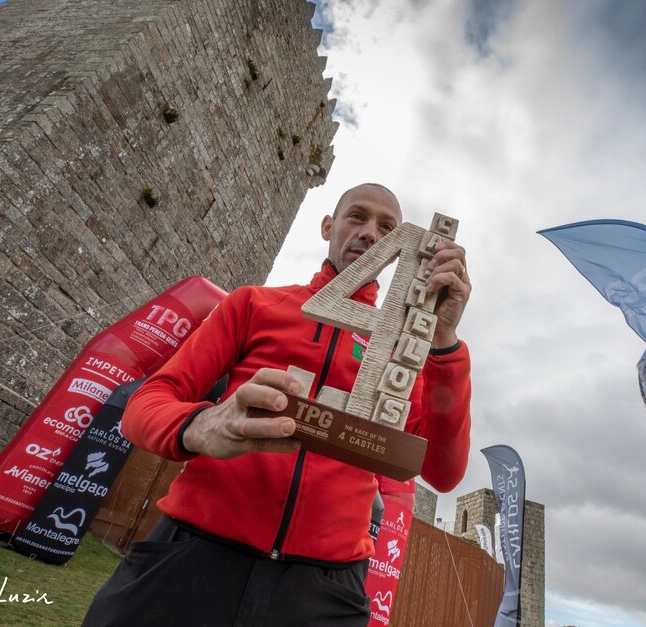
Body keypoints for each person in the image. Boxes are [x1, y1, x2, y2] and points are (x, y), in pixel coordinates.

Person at [82, 183, 472, 626]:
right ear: (328, 226)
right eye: (356, 217)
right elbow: (147, 401)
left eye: (387, 227)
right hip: (194, 549)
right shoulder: (254, 304)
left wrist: (443, 340)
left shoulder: (405, 350)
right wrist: (202, 425)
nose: (370, 233)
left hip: (325, 585)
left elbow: (444, 472)